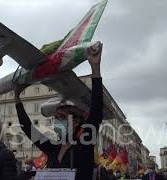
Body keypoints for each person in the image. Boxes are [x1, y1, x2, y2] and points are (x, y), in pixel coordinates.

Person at [14, 43, 104, 180]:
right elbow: (28, 128)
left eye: (61, 116)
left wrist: (95, 68)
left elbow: (96, 111)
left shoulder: (84, 143)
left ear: (76, 121)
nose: (57, 121)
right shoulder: (52, 148)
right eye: (56, 118)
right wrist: (17, 98)